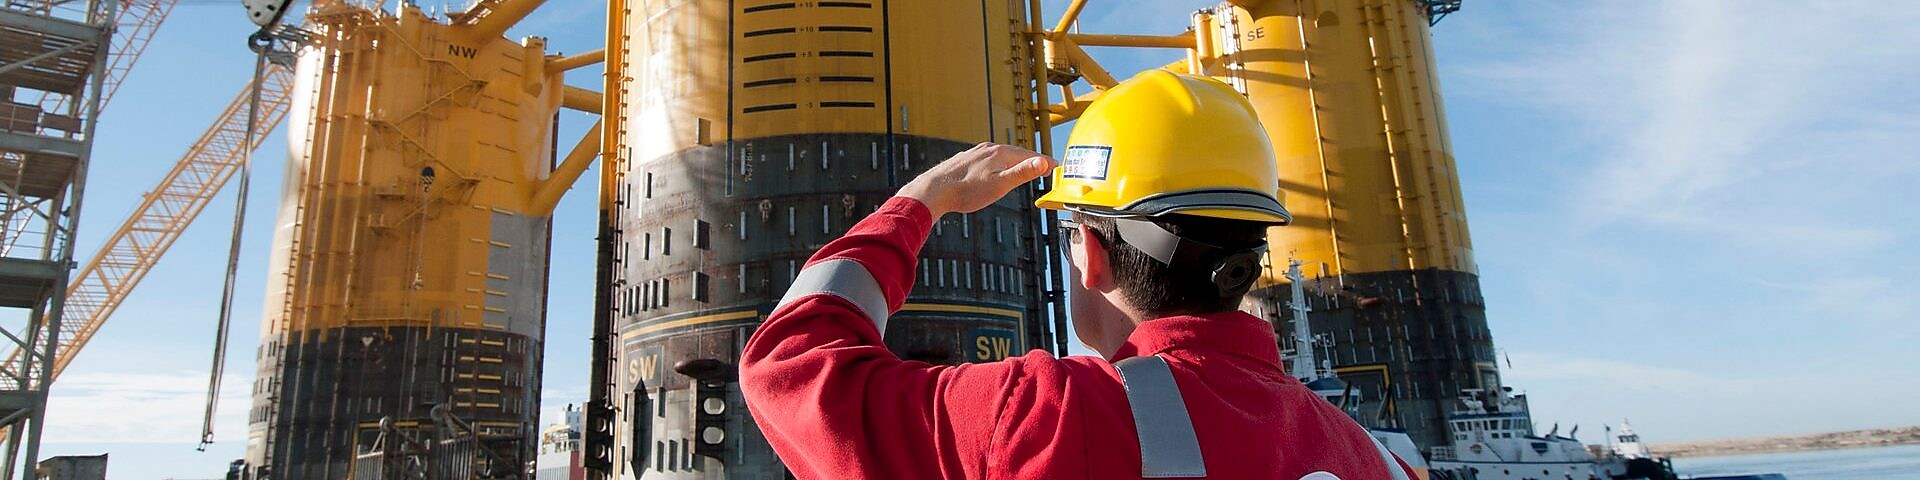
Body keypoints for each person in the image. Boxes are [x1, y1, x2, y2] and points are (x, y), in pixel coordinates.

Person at [741, 71, 1417, 479]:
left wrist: (921, 202)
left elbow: (787, 368)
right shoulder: (1385, 461)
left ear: (1090, 254)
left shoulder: (1053, 419)